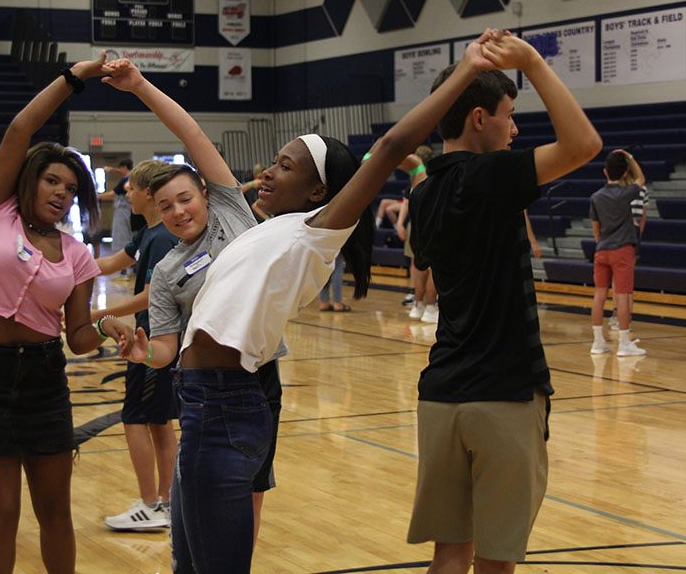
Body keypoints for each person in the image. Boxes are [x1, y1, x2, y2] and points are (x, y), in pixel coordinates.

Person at [106, 28, 502, 573]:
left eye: (286, 167)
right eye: (272, 161)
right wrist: (139, 86)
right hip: (197, 403)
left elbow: (388, 149)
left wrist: (463, 72)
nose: (267, 172)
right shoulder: (249, 226)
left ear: (319, 192)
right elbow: (195, 135)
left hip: (228, 404)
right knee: (188, 567)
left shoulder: (317, 232)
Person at [406, 34, 602, 573]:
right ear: (477, 118)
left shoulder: (422, 194)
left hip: (441, 393)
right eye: (509, 116)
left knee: (450, 554)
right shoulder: (491, 174)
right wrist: (533, 61)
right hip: (504, 396)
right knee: (496, 560)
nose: (514, 130)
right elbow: (585, 144)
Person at [99, 60, 287, 558]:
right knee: (210, 510)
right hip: (211, 388)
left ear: (206, 193)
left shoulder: (232, 214)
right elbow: (164, 350)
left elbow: (192, 131)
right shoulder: (166, 272)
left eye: (186, 198)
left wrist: (140, 86)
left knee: (252, 493)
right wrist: (141, 352)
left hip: (262, 379)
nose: (179, 211)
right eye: (166, 206)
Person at [0, 52, 132, 574]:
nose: (62, 193)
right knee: (1, 512)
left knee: (55, 510)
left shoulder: (77, 254)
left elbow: (77, 336)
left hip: (43, 379)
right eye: (53, 181)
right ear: (30, 181)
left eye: (72, 189)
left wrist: (109, 325)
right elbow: (20, 127)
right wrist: (76, 76)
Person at [91, 161, 180, 531]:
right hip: (151, 339)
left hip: (154, 343)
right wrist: (64, 267)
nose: (126, 191)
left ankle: (151, 504)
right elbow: (112, 262)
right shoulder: (147, 234)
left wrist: (102, 312)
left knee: (136, 419)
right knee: (159, 423)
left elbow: (150, 295)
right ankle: (167, 502)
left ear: (148, 193)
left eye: (131, 187)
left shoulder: (162, 238)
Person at [589, 149, 645, 357]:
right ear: (623, 174)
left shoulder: (595, 197)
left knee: (599, 295)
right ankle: (624, 344)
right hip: (622, 250)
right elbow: (641, 178)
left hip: (602, 250)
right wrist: (629, 157)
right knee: (622, 296)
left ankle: (597, 342)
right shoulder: (626, 193)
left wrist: (602, 243)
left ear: (605, 172)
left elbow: (596, 228)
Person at [395, 152, 438, 323]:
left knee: (417, 268)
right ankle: (430, 308)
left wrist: (400, 224)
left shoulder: (414, 180)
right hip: (430, 225)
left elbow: (406, 203)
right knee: (434, 269)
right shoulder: (430, 178)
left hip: (415, 226)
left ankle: (417, 306)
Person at [98, 158, 139, 270]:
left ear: (124, 168)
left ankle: (124, 271)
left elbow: (112, 194)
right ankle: (129, 269)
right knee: (128, 237)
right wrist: (111, 170)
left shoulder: (126, 181)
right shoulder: (133, 177)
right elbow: (121, 172)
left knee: (122, 238)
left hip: (124, 213)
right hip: (129, 214)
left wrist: (96, 196)